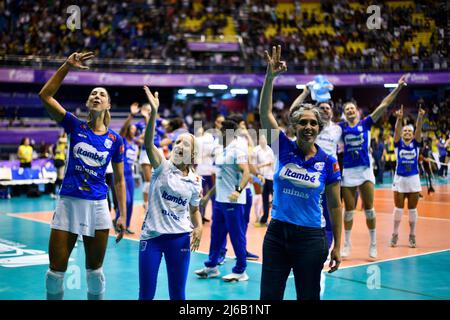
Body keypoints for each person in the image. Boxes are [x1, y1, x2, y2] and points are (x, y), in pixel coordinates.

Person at [38, 52, 127, 300]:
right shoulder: (74, 126)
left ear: (108, 104)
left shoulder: (115, 140)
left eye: (102, 94)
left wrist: (122, 214)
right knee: (54, 274)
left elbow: (119, 180)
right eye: (92, 94)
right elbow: (45, 95)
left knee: (95, 273)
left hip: (98, 206)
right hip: (68, 203)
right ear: (88, 103)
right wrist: (67, 65)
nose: (96, 96)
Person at [259, 46, 342, 300]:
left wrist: (338, 244)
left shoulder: (328, 162)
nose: (308, 126)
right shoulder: (283, 147)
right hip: (277, 235)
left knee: (308, 296)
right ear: (295, 126)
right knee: (269, 297)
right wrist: (270, 77)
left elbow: (335, 206)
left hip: (311, 239)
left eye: (313, 123)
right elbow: (265, 113)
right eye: (303, 122)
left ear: (319, 128)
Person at [139, 86, 203, 300]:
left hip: (180, 239)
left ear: (192, 153)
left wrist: (200, 226)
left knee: (178, 294)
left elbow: (195, 210)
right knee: (146, 294)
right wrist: (154, 114)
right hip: (152, 238)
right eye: (177, 141)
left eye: (185, 143)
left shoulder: (195, 181)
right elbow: (148, 143)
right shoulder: (162, 166)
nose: (179, 145)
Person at [339, 75, 407, 259]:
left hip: (365, 170)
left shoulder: (366, 123)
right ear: (344, 113)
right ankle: (346, 243)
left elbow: (383, 105)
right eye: (347, 109)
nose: (350, 110)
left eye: (352, 108)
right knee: (349, 210)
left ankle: (373, 243)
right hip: (348, 172)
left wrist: (398, 88)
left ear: (357, 111)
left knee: (369, 208)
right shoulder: (340, 128)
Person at [195, 118, 251, 282]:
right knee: (216, 234)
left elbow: (246, 173)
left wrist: (238, 191)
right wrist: (207, 196)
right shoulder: (221, 150)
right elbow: (220, 177)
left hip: (233, 202)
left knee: (236, 236)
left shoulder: (237, 150)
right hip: (219, 201)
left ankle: (241, 270)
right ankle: (212, 266)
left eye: (220, 131)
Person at [390, 105, 425, 248]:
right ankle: (395, 234)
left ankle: (412, 235)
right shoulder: (398, 144)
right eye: (405, 131)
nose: (407, 133)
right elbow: (397, 131)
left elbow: (418, 130)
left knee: (412, 209)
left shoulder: (416, 144)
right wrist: (399, 119)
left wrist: (420, 117)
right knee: (398, 209)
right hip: (400, 179)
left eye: (409, 131)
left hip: (413, 180)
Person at [113, 102, 140, 234]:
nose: (133, 131)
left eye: (135, 129)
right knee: (125, 199)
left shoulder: (135, 142)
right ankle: (118, 221)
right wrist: (132, 115)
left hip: (131, 175)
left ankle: (126, 225)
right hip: (121, 173)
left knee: (131, 203)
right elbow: (123, 129)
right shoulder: (123, 140)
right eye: (132, 128)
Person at [253, 133, 275, 227]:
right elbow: (253, 165)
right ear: (258, 140)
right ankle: (263, 219)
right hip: (261, 178)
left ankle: (275, 219)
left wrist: (264, 165)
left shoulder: (270, 150)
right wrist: (260, 169)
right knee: (263, 199)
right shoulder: (256, 150)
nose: (263, 141)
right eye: (261, 139)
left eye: (264, 140)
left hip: (271, 177)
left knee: (275, 198)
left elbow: (272, 162)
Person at [52, 132, 68, 197]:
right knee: (61, 177)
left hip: (57, 159)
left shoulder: (60, 142)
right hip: (60, 160)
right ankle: (60, 193)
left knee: (58, 177)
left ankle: (53, 192)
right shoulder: (62, 140)